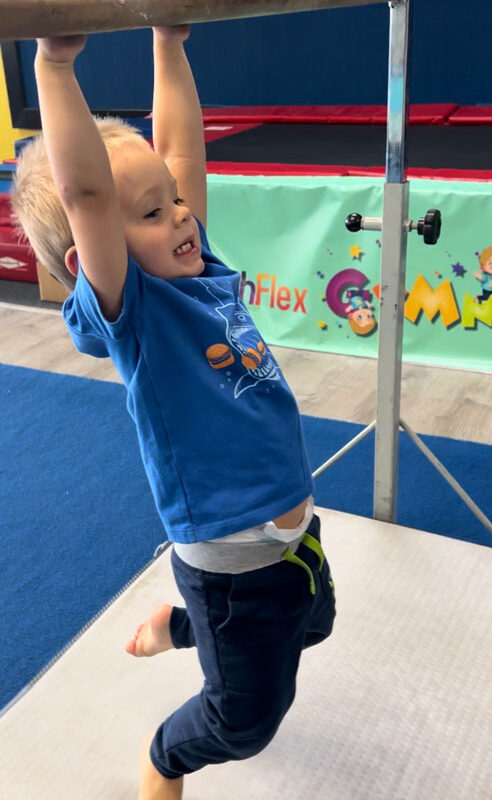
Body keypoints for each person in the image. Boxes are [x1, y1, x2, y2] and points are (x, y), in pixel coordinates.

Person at [11, 26, 336, 800]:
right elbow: (87, 193)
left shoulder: (197, 267)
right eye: (152, 213)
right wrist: (53, 65)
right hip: (234, 562)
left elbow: (181, 151)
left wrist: (169, 42)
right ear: (90, 262)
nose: (182, 215)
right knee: (246, 720)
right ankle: (165, 757)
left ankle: (178, 625)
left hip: (293, 530)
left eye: (176, 201)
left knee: (314, 622)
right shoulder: (137, 311)